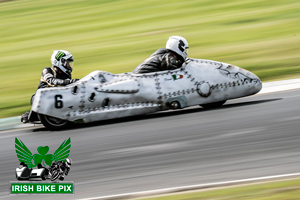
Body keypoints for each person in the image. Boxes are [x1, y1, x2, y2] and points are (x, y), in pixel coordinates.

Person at [21, 50, 79, 123]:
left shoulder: (66, 75)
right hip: (39, 98)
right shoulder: (47, 70)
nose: (69, 65)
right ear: (60, 62)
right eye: (67, 63)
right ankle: (32, 114)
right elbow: (51, 81)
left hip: (59, 99)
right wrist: (69, 82)